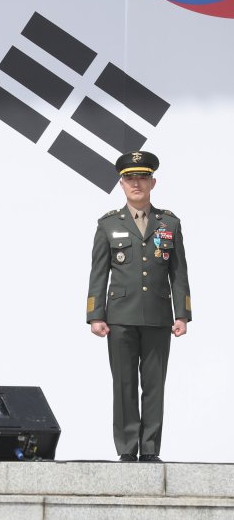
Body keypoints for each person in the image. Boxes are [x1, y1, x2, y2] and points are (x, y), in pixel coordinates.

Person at [86, 150, 191, 463]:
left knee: (155, 386)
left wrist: (182, 314)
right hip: (120, 318)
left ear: (152, 182)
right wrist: (95, 315)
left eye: (142, 177)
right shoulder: (108, 225)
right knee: (125, 384)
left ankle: (150, 449)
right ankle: (127, 449)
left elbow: (179, 272)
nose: (136, 183)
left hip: (159, 316)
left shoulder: (169, 222)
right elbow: (98, 273)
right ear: (121, 183)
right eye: (130, 178)